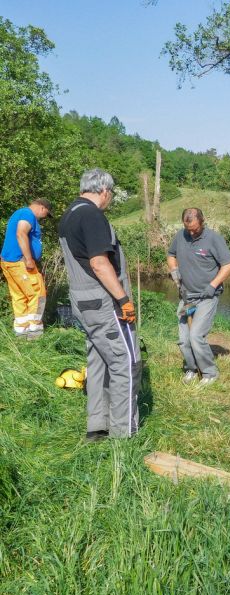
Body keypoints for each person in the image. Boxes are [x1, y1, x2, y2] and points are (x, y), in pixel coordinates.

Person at [58, 169, 141, 441]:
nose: (110, 200)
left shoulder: (69, 214)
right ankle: (123, 434)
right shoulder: (91, 215)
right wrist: (124, 300)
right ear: (104, 190)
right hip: (102, 301)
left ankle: (97, 426)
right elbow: (98, 262)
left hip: (82, 301)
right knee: (125, 361)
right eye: (111, 195)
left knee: (98, 360)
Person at [167, 208, 230, 386]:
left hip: (206, 297)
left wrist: (213, 286)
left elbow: (228, 266)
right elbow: (171, 254)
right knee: (184, 340)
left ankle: (209, 373)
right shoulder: (181, 236)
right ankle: (190, 368)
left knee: (196, 336)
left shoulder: (214, 239)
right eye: (188, 228)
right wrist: (175, 272)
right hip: (187, 297)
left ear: (202, 222)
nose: (191, 232)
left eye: (195, 229)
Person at [1, 198, 52, 338]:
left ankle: (21, 332)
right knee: (38, 293)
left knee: (19, 296)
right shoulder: (28, 214)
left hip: (9, 262)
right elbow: (21, 233)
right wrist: (29, 259)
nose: (45, 218)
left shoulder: (20, 213)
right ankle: (34, 332)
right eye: (46, 214)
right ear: (42, 207)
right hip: (21, 262)